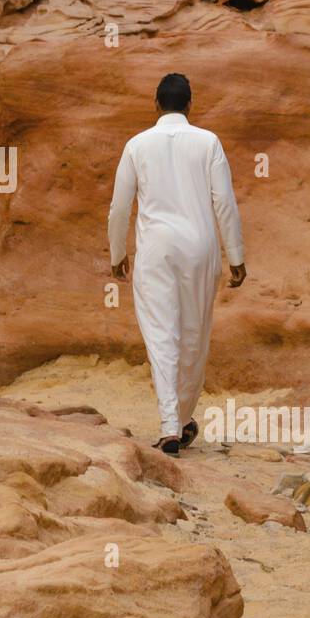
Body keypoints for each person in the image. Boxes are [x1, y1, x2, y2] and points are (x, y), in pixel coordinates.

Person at [107, 73, 246, 455]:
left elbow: (120, 206)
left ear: (156, 105)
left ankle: (174, 423)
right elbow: (224, 202)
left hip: (155, 250)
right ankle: (181, 418)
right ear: (189, 106)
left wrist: (117, 252)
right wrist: (235, 254)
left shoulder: (136, 145)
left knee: (161, 335)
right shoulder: (208, 142)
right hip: (200, 249)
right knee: (194, 335)